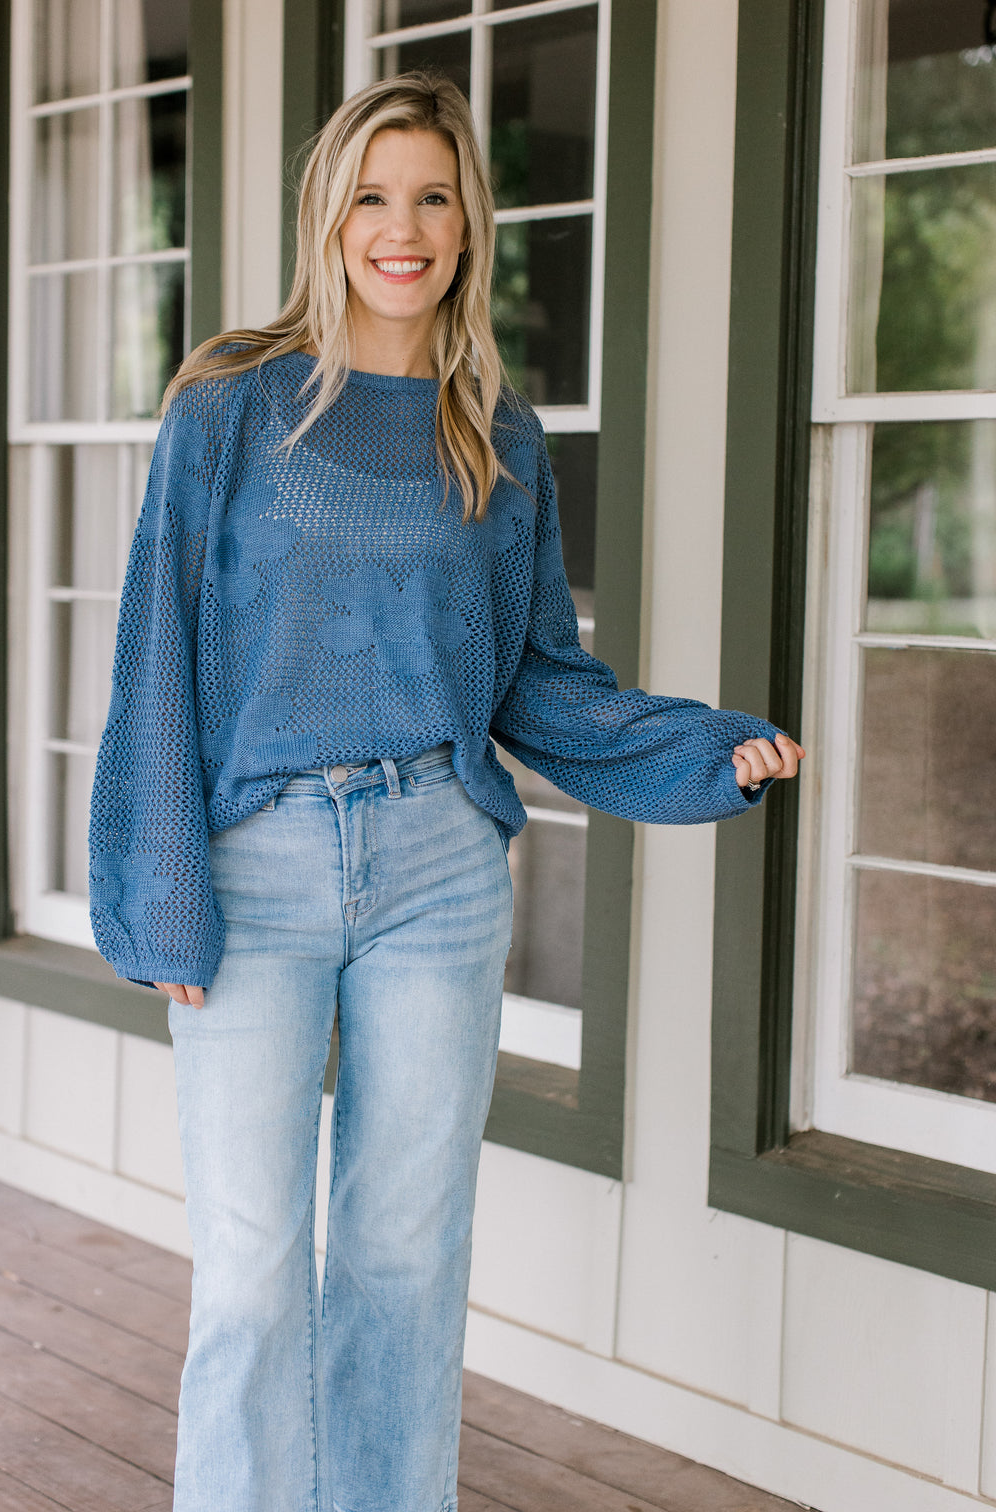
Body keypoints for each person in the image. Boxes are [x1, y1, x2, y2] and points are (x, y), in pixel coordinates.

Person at [88, 71, 803, 1512]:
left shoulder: (499, 435)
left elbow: (537, 682)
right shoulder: (231, 407)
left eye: (431, 198)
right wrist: (157, 891)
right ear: (327, 217)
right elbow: (152, 650)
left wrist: (695, 749)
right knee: (248, 1272)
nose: (400, 228)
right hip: (254, 871)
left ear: (470, 226)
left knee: (406, 1263)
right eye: (371, 195)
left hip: (440, 869)